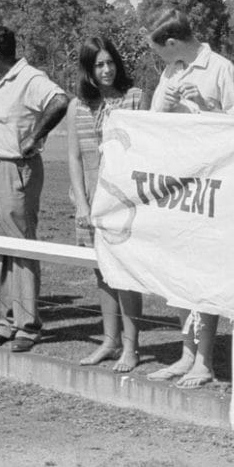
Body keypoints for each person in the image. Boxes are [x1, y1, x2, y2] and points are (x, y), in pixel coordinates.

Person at [144, 7, 234, 389]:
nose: (160, 61)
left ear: (172, 43)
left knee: (204, 273)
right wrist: (166, 105)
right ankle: (186, 353)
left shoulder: (220, 68)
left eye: (160, 52)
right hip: (176, 185)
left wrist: (205, 107)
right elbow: (155, 121)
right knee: (177, 273)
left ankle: (205, 360)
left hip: (210, 185)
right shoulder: (171, 71)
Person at [0, 25, 70, 353]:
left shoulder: (29, 78)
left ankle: (27, 325)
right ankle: (2, 320)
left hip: (14, 169)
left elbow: (59, 101)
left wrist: (34, 137)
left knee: (20, 245)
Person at [68, 35, 146, 370]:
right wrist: (82, 204)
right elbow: (73, 158)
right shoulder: (78, 107)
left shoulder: (135, 99)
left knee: (125, 274)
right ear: (88, 69)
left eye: (110, 62)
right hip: (91, 205)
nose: (106, 70)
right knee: (101, 273)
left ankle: (131, 346)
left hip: (126, 205)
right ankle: (109, 341)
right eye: (99, 64)